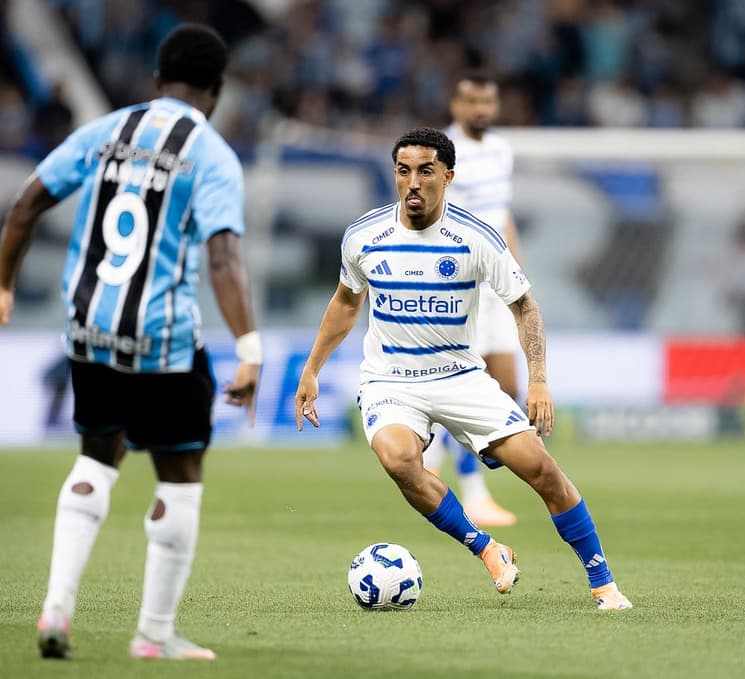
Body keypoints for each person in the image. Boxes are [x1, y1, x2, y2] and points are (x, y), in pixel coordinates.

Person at [0, 24, 261, 661]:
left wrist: (3, 286)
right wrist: (249, 345)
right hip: (162, 341)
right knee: (180, 474)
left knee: (94, 459)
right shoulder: (211, 153)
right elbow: (223, 257)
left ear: (155, 81)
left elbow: (26, 205)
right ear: (217, 90)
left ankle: (57, 607)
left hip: (89, 328)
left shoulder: (105, 131)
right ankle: (154, 634)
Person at [295, 127, 632, 610]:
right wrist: (312, 368)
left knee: (541, 470)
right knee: (398, 459)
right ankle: (487, 548)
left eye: (425, 171)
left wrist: (537, 378)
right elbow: (345, 304)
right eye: (403, 171)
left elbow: (525, 307)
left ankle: (603, 583)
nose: (413, 182)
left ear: (448, 177)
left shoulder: (476, 238)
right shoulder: (364, 235)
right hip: (390, 381)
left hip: (460, 378)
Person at [421, 71, 520, 527]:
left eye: (488, 100)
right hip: (461, 284)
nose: (481, 109)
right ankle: (474, 494)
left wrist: (516, 273)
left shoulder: (502, 150)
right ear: (457, 105)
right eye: (472, 101)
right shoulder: (441, 154)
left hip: (498, 281)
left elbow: (503, 214)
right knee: (465, 386)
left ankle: (432, 450)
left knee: (508, 390)